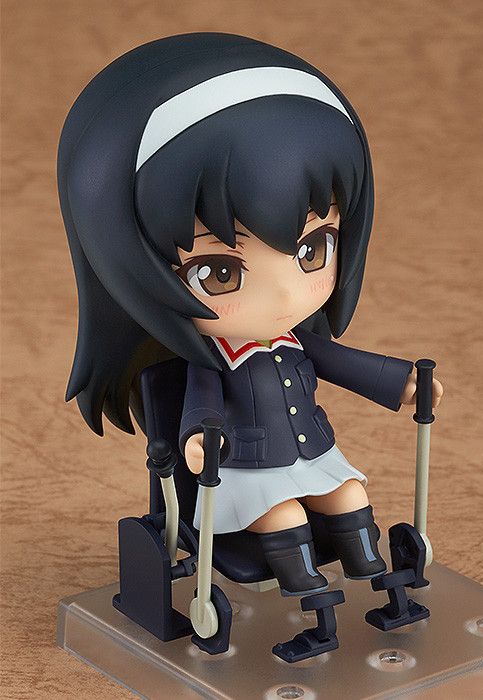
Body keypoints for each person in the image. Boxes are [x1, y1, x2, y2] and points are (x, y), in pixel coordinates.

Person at [58, 33, 443, 598]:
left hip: (310, 450)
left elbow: (348, 364)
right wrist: (198, 439)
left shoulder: (296, 343)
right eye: (219, 272)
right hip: (248, 471)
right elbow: (202, 406)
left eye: (313, 249)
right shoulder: (211, 362)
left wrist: (403, 382)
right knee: (284, 514)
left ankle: (373, 574)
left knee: (350, 493)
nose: (285, 296)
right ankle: (309, 590)